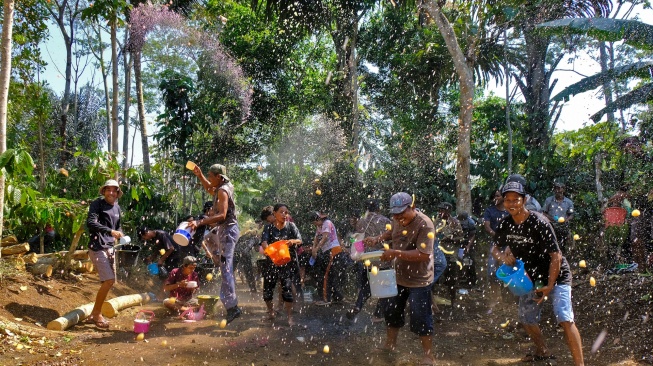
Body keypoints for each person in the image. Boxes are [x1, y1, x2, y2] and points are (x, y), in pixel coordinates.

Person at [492, 181, 583, 365]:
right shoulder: (506, 224)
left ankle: (580, 364)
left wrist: (549, 286)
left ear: (524, 200)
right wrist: (503, 256)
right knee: (526, 318)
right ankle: (542, 351)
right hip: (530, 276)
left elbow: (556, 256)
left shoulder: (540, 221)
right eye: (507, 200)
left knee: (565, 318)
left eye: (515, 200)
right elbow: (494, 248)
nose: (511, 203)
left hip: (557, 275)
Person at [363, 192, 436, 365]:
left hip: (420, 279)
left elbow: (424, 254)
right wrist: (377, 238)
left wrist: (395, 253)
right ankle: (390, 345)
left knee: (420, 315)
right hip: (399, 276)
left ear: (411, 207)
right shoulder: (396, 219)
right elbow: (390, 234)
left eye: (402, 213)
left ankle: (428, 355)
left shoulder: (425, 224)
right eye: (395, 214)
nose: (398, 217)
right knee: (392, 311)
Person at [188, 164, 241, 323]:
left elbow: (222, 215)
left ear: (219, 177)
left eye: (210, 176)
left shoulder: (223, 191)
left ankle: (233, 308)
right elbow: (210, 189)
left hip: (228, 231)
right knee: (225, 268)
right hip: (227, 231)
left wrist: (200, 222)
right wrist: (200, 175)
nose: (209, 178)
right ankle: (231, 306)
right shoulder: (221, 187)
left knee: (226, 269)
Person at [85, 179, 125, 329]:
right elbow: (91, 223)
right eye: (108, 190)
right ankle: (96, 314)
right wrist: (110, 231)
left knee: (110, 282)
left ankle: (95, 313)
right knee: (108, 280)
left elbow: (118, 226)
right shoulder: (97, 204)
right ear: (104, 191)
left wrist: (120, 234)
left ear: (117, 193)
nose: (111, 193)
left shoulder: (117, 208)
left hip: (109, 247)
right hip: (97, 247)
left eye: (114, 190)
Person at [348, 199, 392, 322]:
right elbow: (391, 237)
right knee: (385, 288)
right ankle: (377, 315)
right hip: (382, 257)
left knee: (365, 287)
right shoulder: (385, 221)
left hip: (367, 259)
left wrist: (354, 251)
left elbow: (356, 239)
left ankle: (357, 306)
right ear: (378, 209)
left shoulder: (361, 221)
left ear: (366, 209)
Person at [260, 204, 303, 326]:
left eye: (286, 212)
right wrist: (268, 251)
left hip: (287, 264)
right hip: (271, 263)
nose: (284, 215)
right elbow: (264, 242)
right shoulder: (268, 228)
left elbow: (300, 240)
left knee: (287, 291)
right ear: (274, 213)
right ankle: (270, 312)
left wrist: (292, 241)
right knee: (268, 291)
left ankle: (289, 317)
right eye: (281, 212)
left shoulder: (291, 226)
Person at [483, 189, 510, 313]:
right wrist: (497, 236)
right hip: (495, 245)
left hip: (509, 246)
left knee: (508, 272)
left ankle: (506, 301)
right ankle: (494, 302)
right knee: (492, 272)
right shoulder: (490, 210)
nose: (496, 198)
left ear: (503, 197)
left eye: (498, 196)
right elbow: (487, 226)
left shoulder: (509, 210)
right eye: (494, 196)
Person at [310, 211, 345, 306]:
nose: (315, 224)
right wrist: (314, 249)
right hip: (328, 251)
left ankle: (326, 299)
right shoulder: (319, 226)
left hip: (333, 250)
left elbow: (325, 237)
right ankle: (338, 297)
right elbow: (316, 238)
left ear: (319, 219)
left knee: (326, 275)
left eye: (315, 222)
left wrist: (316, 249)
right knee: (330, 274)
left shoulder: (327, 223)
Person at [543, 182, 575, 253]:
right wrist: (551, 218)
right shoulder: (549, 200)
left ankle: (563, 257)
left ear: (563, 190)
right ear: (554, 189)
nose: (559, 190)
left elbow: (571, 215)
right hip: (551, 226)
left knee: (563, 245)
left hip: (563, 227)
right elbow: (543, 213)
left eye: (561, 188)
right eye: (557, 188)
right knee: (551, 245)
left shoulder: (568, 202)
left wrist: (566, 220)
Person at [233, 220, 259, 293]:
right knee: (249, 273)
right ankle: (253, 291)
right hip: (245, 254)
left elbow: (236, 245)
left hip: (236, 253)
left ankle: (230, 289)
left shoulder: (242, 236)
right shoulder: (255, 238)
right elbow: (257, 249)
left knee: (231, 271)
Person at [457, 211, 477, 287]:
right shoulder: (454, 220)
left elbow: (473, 235)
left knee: (469, 262)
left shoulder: (471, 223)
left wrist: (468, 246)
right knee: (457, 262)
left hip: (468, 243)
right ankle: (458, 279)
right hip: (458, 243)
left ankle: (471, 281)